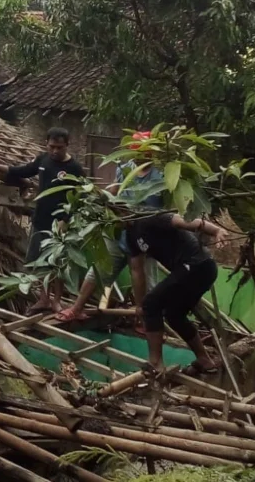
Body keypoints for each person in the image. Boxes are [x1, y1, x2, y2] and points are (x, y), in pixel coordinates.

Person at [57, 133, 164, 323]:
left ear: (151, 152)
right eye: (136, 152)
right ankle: (77, 308)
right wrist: (99, 198)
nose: (140, 156)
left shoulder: (162, 176)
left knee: (148, 281)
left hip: (146, 234)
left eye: (144, 152)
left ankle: (146, 321)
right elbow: (113, 191)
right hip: (119, 229)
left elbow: (166, 209)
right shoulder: (124, 169)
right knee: (99, 270)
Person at [0, 127, 85, 313]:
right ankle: (43, 298)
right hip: (40, 219)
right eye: (52, 147)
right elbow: (23, 171)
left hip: (60, 223)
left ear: (67, 145)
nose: (55, 151)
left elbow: (79, 197)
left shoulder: (74, 169)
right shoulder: (42, 160)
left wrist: (65, 220)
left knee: (56, 263)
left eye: (59, 147)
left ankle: (56, 301)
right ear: (46, 144)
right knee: (40, 262)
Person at [128, 212, 224, 376]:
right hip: (192, 269)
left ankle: (155, 363)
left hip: (199, 264)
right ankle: (204, 360)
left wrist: (215, 230)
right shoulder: (130, 236)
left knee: (152, 303)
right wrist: (139, 305)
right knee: (174, 315)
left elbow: (184, 221)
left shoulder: (149, 217)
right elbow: (137, 271)